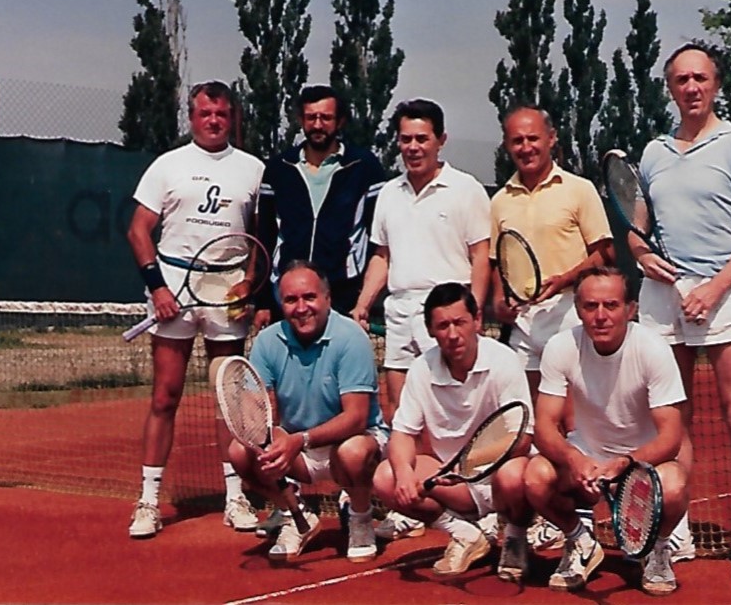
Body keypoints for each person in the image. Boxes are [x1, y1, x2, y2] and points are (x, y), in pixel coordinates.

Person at [630, 42, 731, 581]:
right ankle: (676, 532)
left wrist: (714, 289)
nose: (691, 87)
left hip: (724, 293)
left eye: (700, 78)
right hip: (663, 298)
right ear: (670, 87)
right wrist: (641, 255)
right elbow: (637, 229)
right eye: (681, 80)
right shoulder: (653, 153)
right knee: (673, 419)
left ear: (715, 84)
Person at [126, 80, 264, 538]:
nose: (213, 121)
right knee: (165, 396)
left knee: (229, 400)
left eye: (221, 114)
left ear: (232, 117)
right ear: (192, 117)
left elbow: (263, 237)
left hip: (227, 290)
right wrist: (158, 288)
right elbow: (138, 231)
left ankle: (235, 498)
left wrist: (248, 283)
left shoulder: (253, 169)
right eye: (205, 113)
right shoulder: (167, 165)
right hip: (174, 286)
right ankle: (148, 502)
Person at [352, 98, 492, 542]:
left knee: (451, 415)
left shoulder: (466, 189)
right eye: (405, 139)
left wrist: (473, 311)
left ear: (440, 140)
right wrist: (363, 303)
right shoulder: (388, 194)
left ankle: (470, 502)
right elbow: (382, 256)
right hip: (399, 312)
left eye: (422, 139)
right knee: (401, 415)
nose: (413, 147)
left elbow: (481, 256)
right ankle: (412, 502)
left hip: (448, 313)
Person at [489, 104, 613, 550]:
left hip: (568, 313)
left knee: (573, 423)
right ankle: (540, 514)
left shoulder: (579, 190)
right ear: (507, 145)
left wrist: (565, 279)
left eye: (533, 138)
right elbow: (498, 264)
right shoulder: (499, 201)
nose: (526, 147)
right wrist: (498, 303)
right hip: (524, 325)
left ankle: (582, 516)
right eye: (516, 141)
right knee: (530, 423)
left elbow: (605, 254)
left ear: (551, 138)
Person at [523, 267, 689, 595]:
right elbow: (544, 426)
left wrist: (627, 462)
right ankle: (580, 541)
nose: (600, 316)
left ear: (630, 309)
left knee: (674, 485)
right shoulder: (560, 347)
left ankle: (657, 550)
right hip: (586, 457)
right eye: (590, 306)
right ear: (578, 309)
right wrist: (574, 458)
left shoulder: (653, 349)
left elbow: (671, 437)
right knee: (534, 477)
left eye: (611, 305)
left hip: (640, 463)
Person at [228, 260, 388, 562]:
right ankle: (296, 516)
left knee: (353, 452)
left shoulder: (351, 338)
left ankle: (360, 517)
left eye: (309, 297)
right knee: (239, 451)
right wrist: (269, 440)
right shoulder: (267, 342)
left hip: (354, 441)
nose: (301, 308)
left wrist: (298, 440)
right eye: (291, 300)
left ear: (327, 298)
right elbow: (254, 411)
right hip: (299, 449)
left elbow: (356, 418)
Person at [372, 282, 534, 581]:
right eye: (443, 326)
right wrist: (405, 475)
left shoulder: (504, 360)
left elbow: (522, 439)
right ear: (430, 331)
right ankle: (464, 533)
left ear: (477, 321)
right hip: (453, 484)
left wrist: (468, 463)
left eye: (459, 322)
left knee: (514, 475)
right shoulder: (421, 368)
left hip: (500, 481)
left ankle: (515, 537)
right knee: (386, 477)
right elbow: (403, 434)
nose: (452, 333)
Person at [254, 84, 386, 326]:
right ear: (300, 120)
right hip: (289, 292)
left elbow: (377, 236)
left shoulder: (364, 166)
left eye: (325, 118)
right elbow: (265, 236)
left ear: (340, 121)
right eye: (311, 117)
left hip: (343, 292)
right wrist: (262, 301)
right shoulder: (279, 168)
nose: (317, 125)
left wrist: (363, 296)